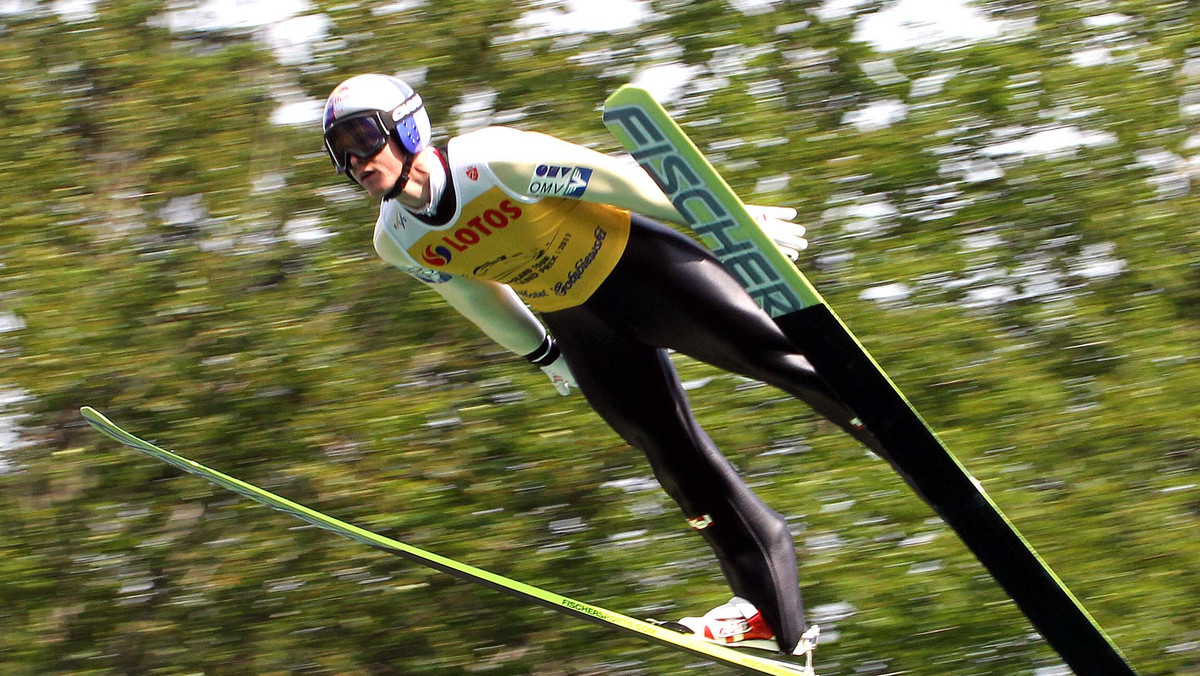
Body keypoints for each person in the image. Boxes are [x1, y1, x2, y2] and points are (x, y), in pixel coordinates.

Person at [321, 73, 877, 657]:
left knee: (779, 360)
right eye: (342, 150)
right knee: (671, 457)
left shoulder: (492, 160)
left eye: (364, 136)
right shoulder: (397, 239)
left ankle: (912, 455)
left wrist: (731, 221)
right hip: (579, 323)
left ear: (408, 127)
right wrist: (544, 354)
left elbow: (622, 182)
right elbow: (474, 295)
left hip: (643, 272)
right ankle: (769, 615)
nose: (356, 159)